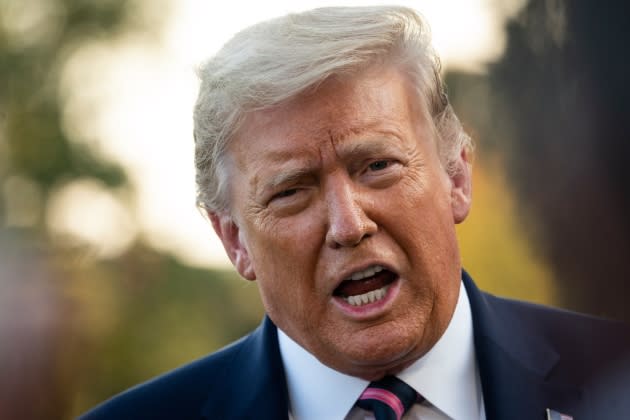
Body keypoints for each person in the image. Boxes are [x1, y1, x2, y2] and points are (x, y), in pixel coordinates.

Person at [80, 6, 630, 420]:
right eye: (292, 191)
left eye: (377, 165)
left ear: (456, 177)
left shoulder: (615, 374)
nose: (349, 225)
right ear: (234, 240)